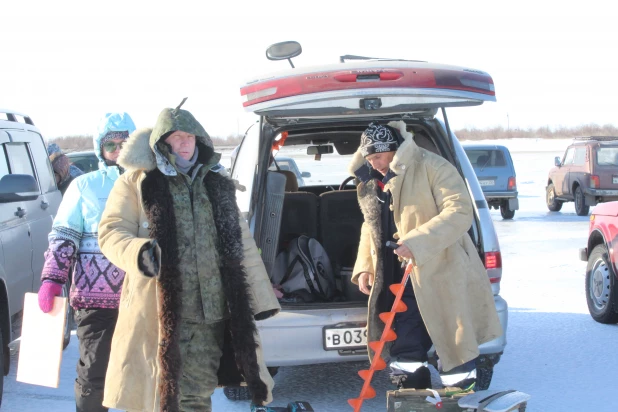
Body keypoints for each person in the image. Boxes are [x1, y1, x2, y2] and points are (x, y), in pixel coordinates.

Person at [97, 100, 280, 411]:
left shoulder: (217, 183)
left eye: (190, 136)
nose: (184, 143)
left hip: (212, 314)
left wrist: (261, 299)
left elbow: (242, 245)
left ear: (200, 140)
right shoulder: (137, 182)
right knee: (161, 395)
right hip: (162, 311)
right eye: (176, 136)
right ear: (161, 141)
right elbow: (110, 232)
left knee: (196, 394)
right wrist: (140, 252)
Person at [348, 121, 502, 390]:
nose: (376, 164)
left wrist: (417, 243)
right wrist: (366, 266)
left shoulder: (433, 167)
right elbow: (370, 225)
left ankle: (459, 402)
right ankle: (411, 399)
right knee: (405, 347)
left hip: (441, 274)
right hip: (398, 279)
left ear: (394, 150)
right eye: (370, 158)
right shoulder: (373, 179)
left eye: (380, 157)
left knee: (454, 345)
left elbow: (459, 212)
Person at [37, 112, 136, 411]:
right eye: (111, 145)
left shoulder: (150, 184)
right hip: (97, 302)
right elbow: (64, 235)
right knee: (95, 375)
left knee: (145, 374)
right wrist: (52, 279)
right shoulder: (85, 187)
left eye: (125, 143)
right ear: (100, 149)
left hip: (144, 298)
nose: (118, 151)